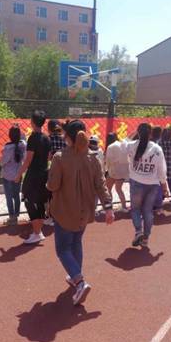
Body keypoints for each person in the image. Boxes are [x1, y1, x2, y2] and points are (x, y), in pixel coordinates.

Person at [47, 120, 114, 305]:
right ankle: (75, 275)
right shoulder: (93, 157)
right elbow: (101, 185)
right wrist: (108, 208)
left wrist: (48, 180)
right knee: (76, 242)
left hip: (64, 211)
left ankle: (79, 281)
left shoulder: (60, 157)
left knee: (63, 249)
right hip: (85, 211)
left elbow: (53, 185)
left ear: (68, 137)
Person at [122, 123, 168, 249]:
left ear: (138, 133)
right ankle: (146, 238)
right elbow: (162, 170)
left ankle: (138, 232)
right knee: (148, 211)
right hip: (152, 184)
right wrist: (164, 186)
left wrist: (132, 134)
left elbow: (122, 144)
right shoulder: (157, 149)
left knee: (135, 209)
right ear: (151, 134)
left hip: (136, 182)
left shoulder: (132, 145)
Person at [15, 110, 51, 244]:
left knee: (29, 201)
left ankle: (37, 233)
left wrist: (19, 174)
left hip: (33, 175)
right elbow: (48, 157)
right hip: (44, 173)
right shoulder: (47, 138)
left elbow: (28, 159)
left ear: (33, 122)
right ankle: (38, 232)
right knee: (40, 202)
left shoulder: (33, 138)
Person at [0, 124, 26, 225]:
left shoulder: (7, 148)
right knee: (16, 196)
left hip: (7, 176)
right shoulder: (23, 145)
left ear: (9, 135)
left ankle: (12, 217)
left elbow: (2, 162)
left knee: (9, 197)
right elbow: (24, 140)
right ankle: (16, 216)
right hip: (18, 174)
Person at [104, 132, 129, 212]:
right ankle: (124, 207)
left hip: (114, 170)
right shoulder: (123, 144)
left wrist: (106, 169)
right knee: (119, 189)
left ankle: (109, 207)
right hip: (124, 171)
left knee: (108, 189)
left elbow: (108, 161)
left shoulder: (110, 146)